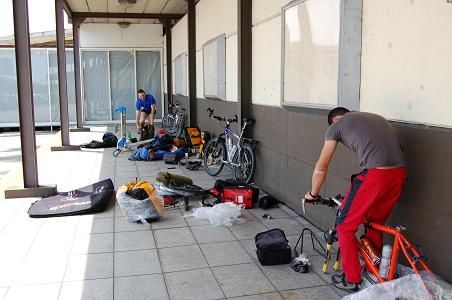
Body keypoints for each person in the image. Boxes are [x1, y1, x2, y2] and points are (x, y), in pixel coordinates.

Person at [304, 107, 407, 293]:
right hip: (399, 174)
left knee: (345, 227)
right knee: (374, 224)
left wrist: (313, 194)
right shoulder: (376, 117)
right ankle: (374, 269)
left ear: (335, 119)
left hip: (376, 176)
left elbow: (321, 166)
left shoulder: (336, 126)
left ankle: (352, 279)